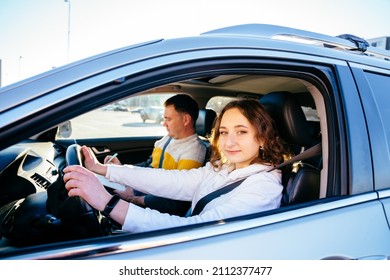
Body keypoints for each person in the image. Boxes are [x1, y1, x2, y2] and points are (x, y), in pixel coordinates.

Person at [63, 98, 286, 233]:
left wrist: (108, 203)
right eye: (224, 132)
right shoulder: (226, 167)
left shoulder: (263, 187)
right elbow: (171, 180)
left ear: (263, 137)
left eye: (242, 132)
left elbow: (198, 230)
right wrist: (105, 170)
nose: (229, 142)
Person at [104, 94, 207, 216]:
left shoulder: (194, 151)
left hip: (157, 207)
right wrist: (122, 169)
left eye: (168, 119)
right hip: (144, 191)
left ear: (185, 120)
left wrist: (134, 199)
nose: (164, 124)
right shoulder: (168, 138)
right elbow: (150, 164)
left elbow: (176, 199)